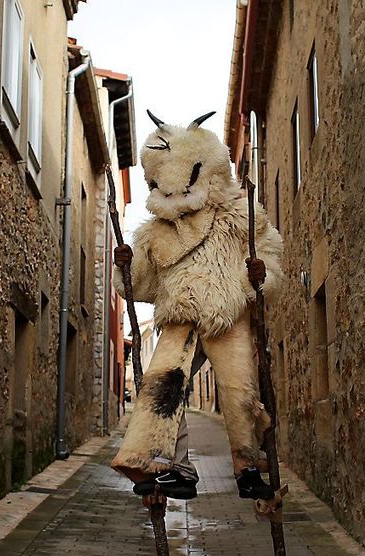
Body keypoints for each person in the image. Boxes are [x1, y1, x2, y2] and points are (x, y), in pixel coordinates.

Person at [110, 110, 284, 501]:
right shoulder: (155, 232)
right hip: (179, 318)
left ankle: (249, 469)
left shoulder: (240, 215)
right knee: (162, 390)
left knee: (240, 393)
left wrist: (259, 276)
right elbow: (140, 285)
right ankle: (170, 466)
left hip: (228, 316)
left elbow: (269, 257)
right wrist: (127, 265)